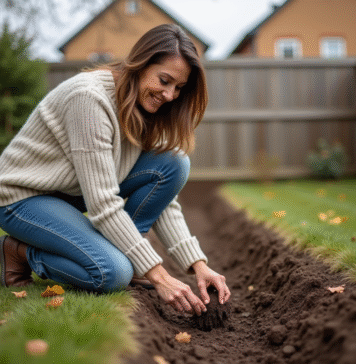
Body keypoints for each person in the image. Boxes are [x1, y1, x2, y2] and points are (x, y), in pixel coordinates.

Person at [0, 24, 230, 316]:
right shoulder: (89, 99)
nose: (170, 95)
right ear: (141, 64)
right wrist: (159, 275)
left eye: (178, 88)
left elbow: (164, 198)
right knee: (112, 273)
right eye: (164, 80)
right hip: (23, 198)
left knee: (174, 163)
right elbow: (103, 203)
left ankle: (123, 256)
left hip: (71, 192)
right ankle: (19, 251)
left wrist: (198, 264)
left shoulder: (146, 106)